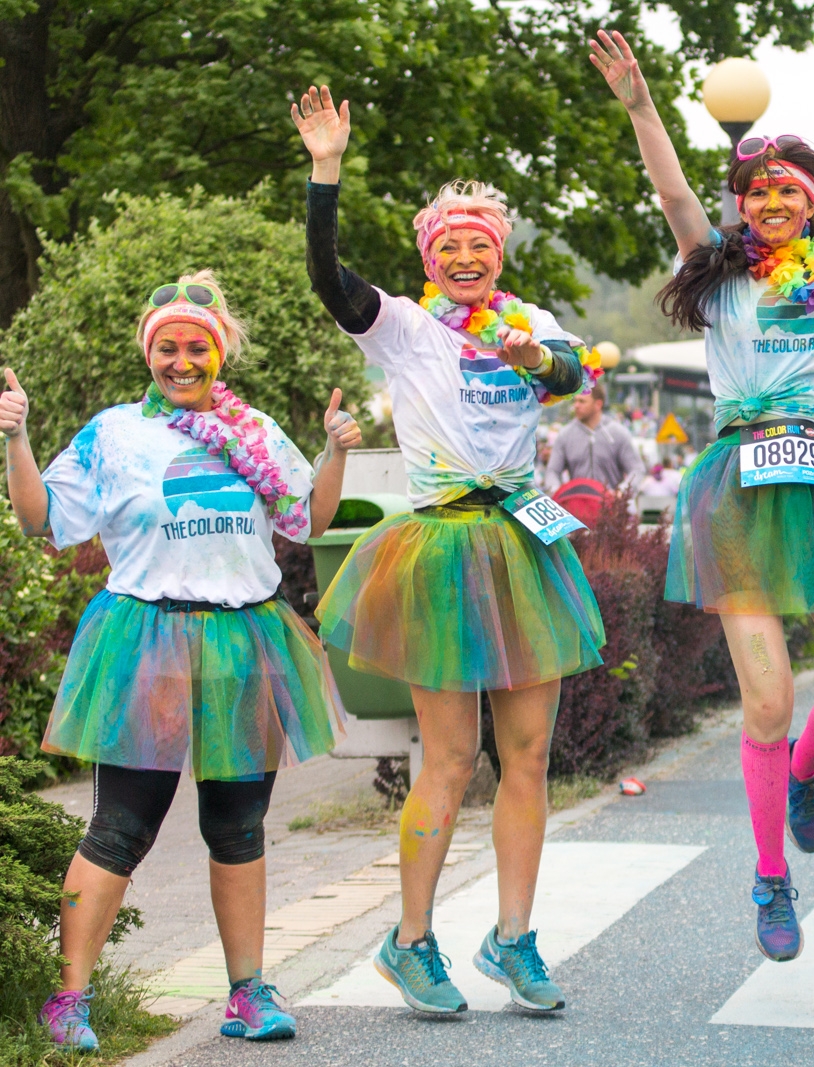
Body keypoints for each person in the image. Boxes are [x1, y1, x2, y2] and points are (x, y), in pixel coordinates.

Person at [590, 31, 814, 962]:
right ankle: (771, 876)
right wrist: (645, 110)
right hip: (739, 480)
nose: (771, 202)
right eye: (757, 191)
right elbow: (674, 195)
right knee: (765, 704)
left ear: (813, 203)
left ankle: (806, 775)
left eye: (789, 191)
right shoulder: (722, 274)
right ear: (742, 205)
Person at [292, 85, 607, 1014]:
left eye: (481, 246)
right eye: (450, 247)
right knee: (449, 758)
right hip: (440, 548)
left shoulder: (528, 323)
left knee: (530, 753)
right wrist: (326, 173)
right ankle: (411, 939)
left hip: (523, 544)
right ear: (432, 259)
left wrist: (534, 359)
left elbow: (571, 372)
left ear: (498, 257)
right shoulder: (405, 325)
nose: (466, 257)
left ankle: (514, 939)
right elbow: (329, 279)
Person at [2, 272, 357, 1049]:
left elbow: (309, 516)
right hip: (147, 645)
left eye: (197, 346)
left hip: (244, 643)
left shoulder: (256, 431)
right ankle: (68, 1001)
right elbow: (39, 518)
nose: (182, 359)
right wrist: (17, 437)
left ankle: (247, 994)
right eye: (167, 347)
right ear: (149, 353)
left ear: (218, 353)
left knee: (239, 826)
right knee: (121, 826)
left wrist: (332, 450)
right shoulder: (114, 434)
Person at [545, 382, 645, 490]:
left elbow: (637, 470)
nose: (576, 406)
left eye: (582, 401)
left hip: (611, 504)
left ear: (598, 404)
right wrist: (556, 492)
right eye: (575, 401)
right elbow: (552, 471)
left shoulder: (619, 433)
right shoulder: (565, 435)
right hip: (577, 504)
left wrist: (622, 491)